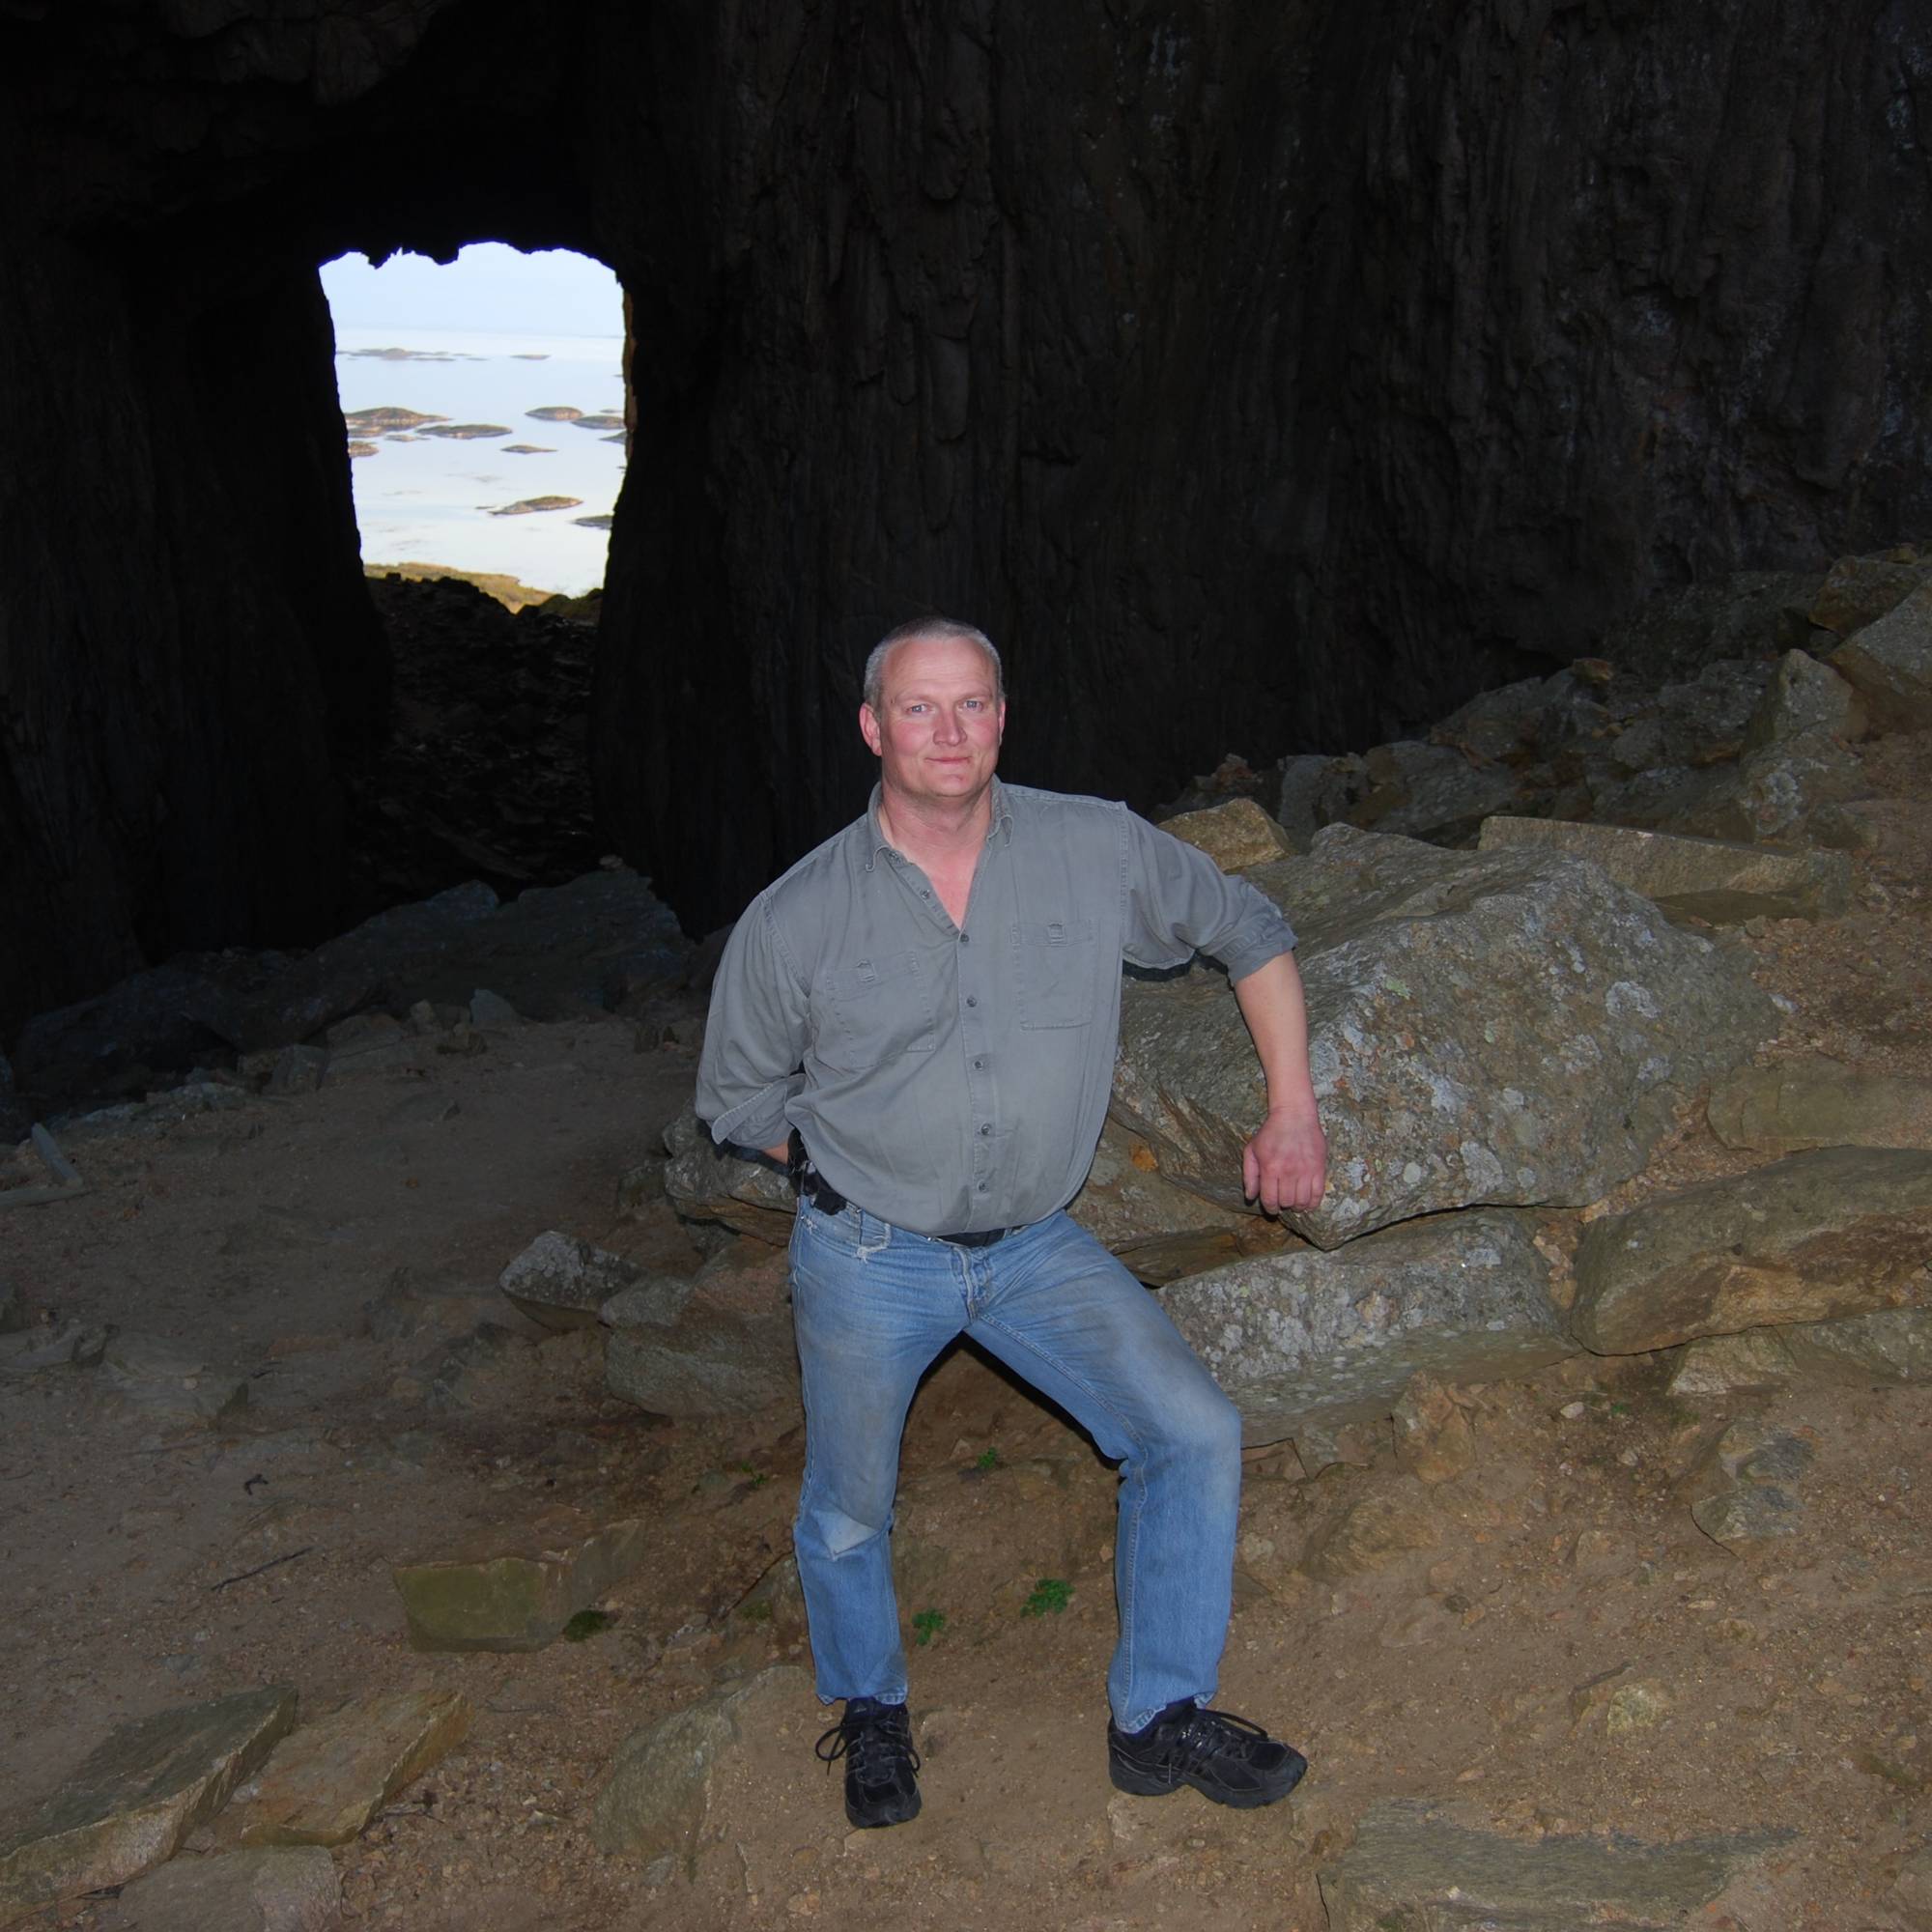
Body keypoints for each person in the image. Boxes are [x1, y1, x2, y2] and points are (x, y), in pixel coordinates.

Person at [696, 616, 1327, 1830]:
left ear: (1003, 716)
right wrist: (850, 1161)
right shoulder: (796, 914)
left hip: (1037, 1246)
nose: (949, 731)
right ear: (873, 727)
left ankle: (1159, 1717)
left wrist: (1290, 1112)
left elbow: (1250, 930)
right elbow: (737, 1096)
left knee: (1190, 1429)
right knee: (844, 1507)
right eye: (920, 708)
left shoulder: (1094, 846)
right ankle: (870, 1707)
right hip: (869, 1254)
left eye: (972, 704)